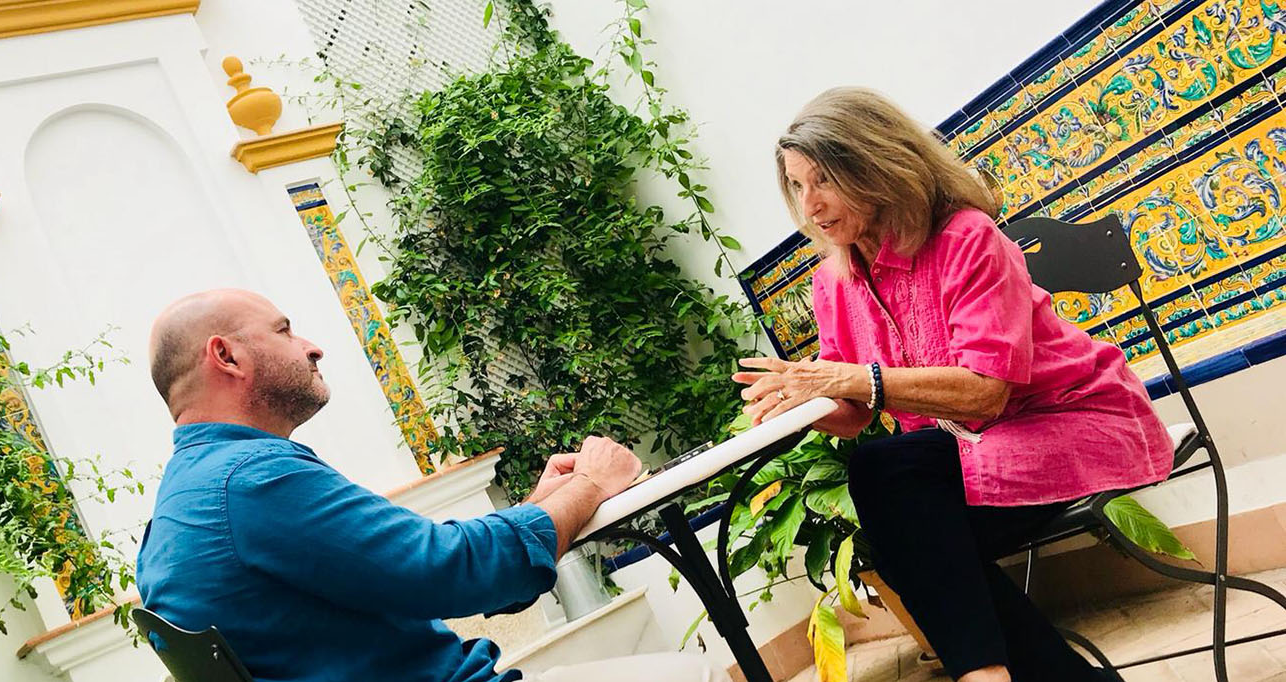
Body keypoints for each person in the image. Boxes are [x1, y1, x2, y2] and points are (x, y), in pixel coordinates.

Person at [732, 88, 1172, 682]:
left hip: (1074, 422)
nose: (810, 206)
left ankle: (989, 676)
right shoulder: (834, 281)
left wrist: (850, 378)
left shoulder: (966, 238)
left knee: (902, 522)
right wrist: (799, 401)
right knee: (908, 522)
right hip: (970, 457)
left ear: (877, 168)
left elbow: (986, 390)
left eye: (824, 182)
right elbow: (854, 411)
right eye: (797, 186)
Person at [136, 289, 725, 682]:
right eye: (285, 330)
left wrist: (541, 506)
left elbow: (413, 565)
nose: (312, 345)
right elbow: (449, 570)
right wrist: (591, 484)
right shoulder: (253, 481)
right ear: (227, 356)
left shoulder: (179, 507)